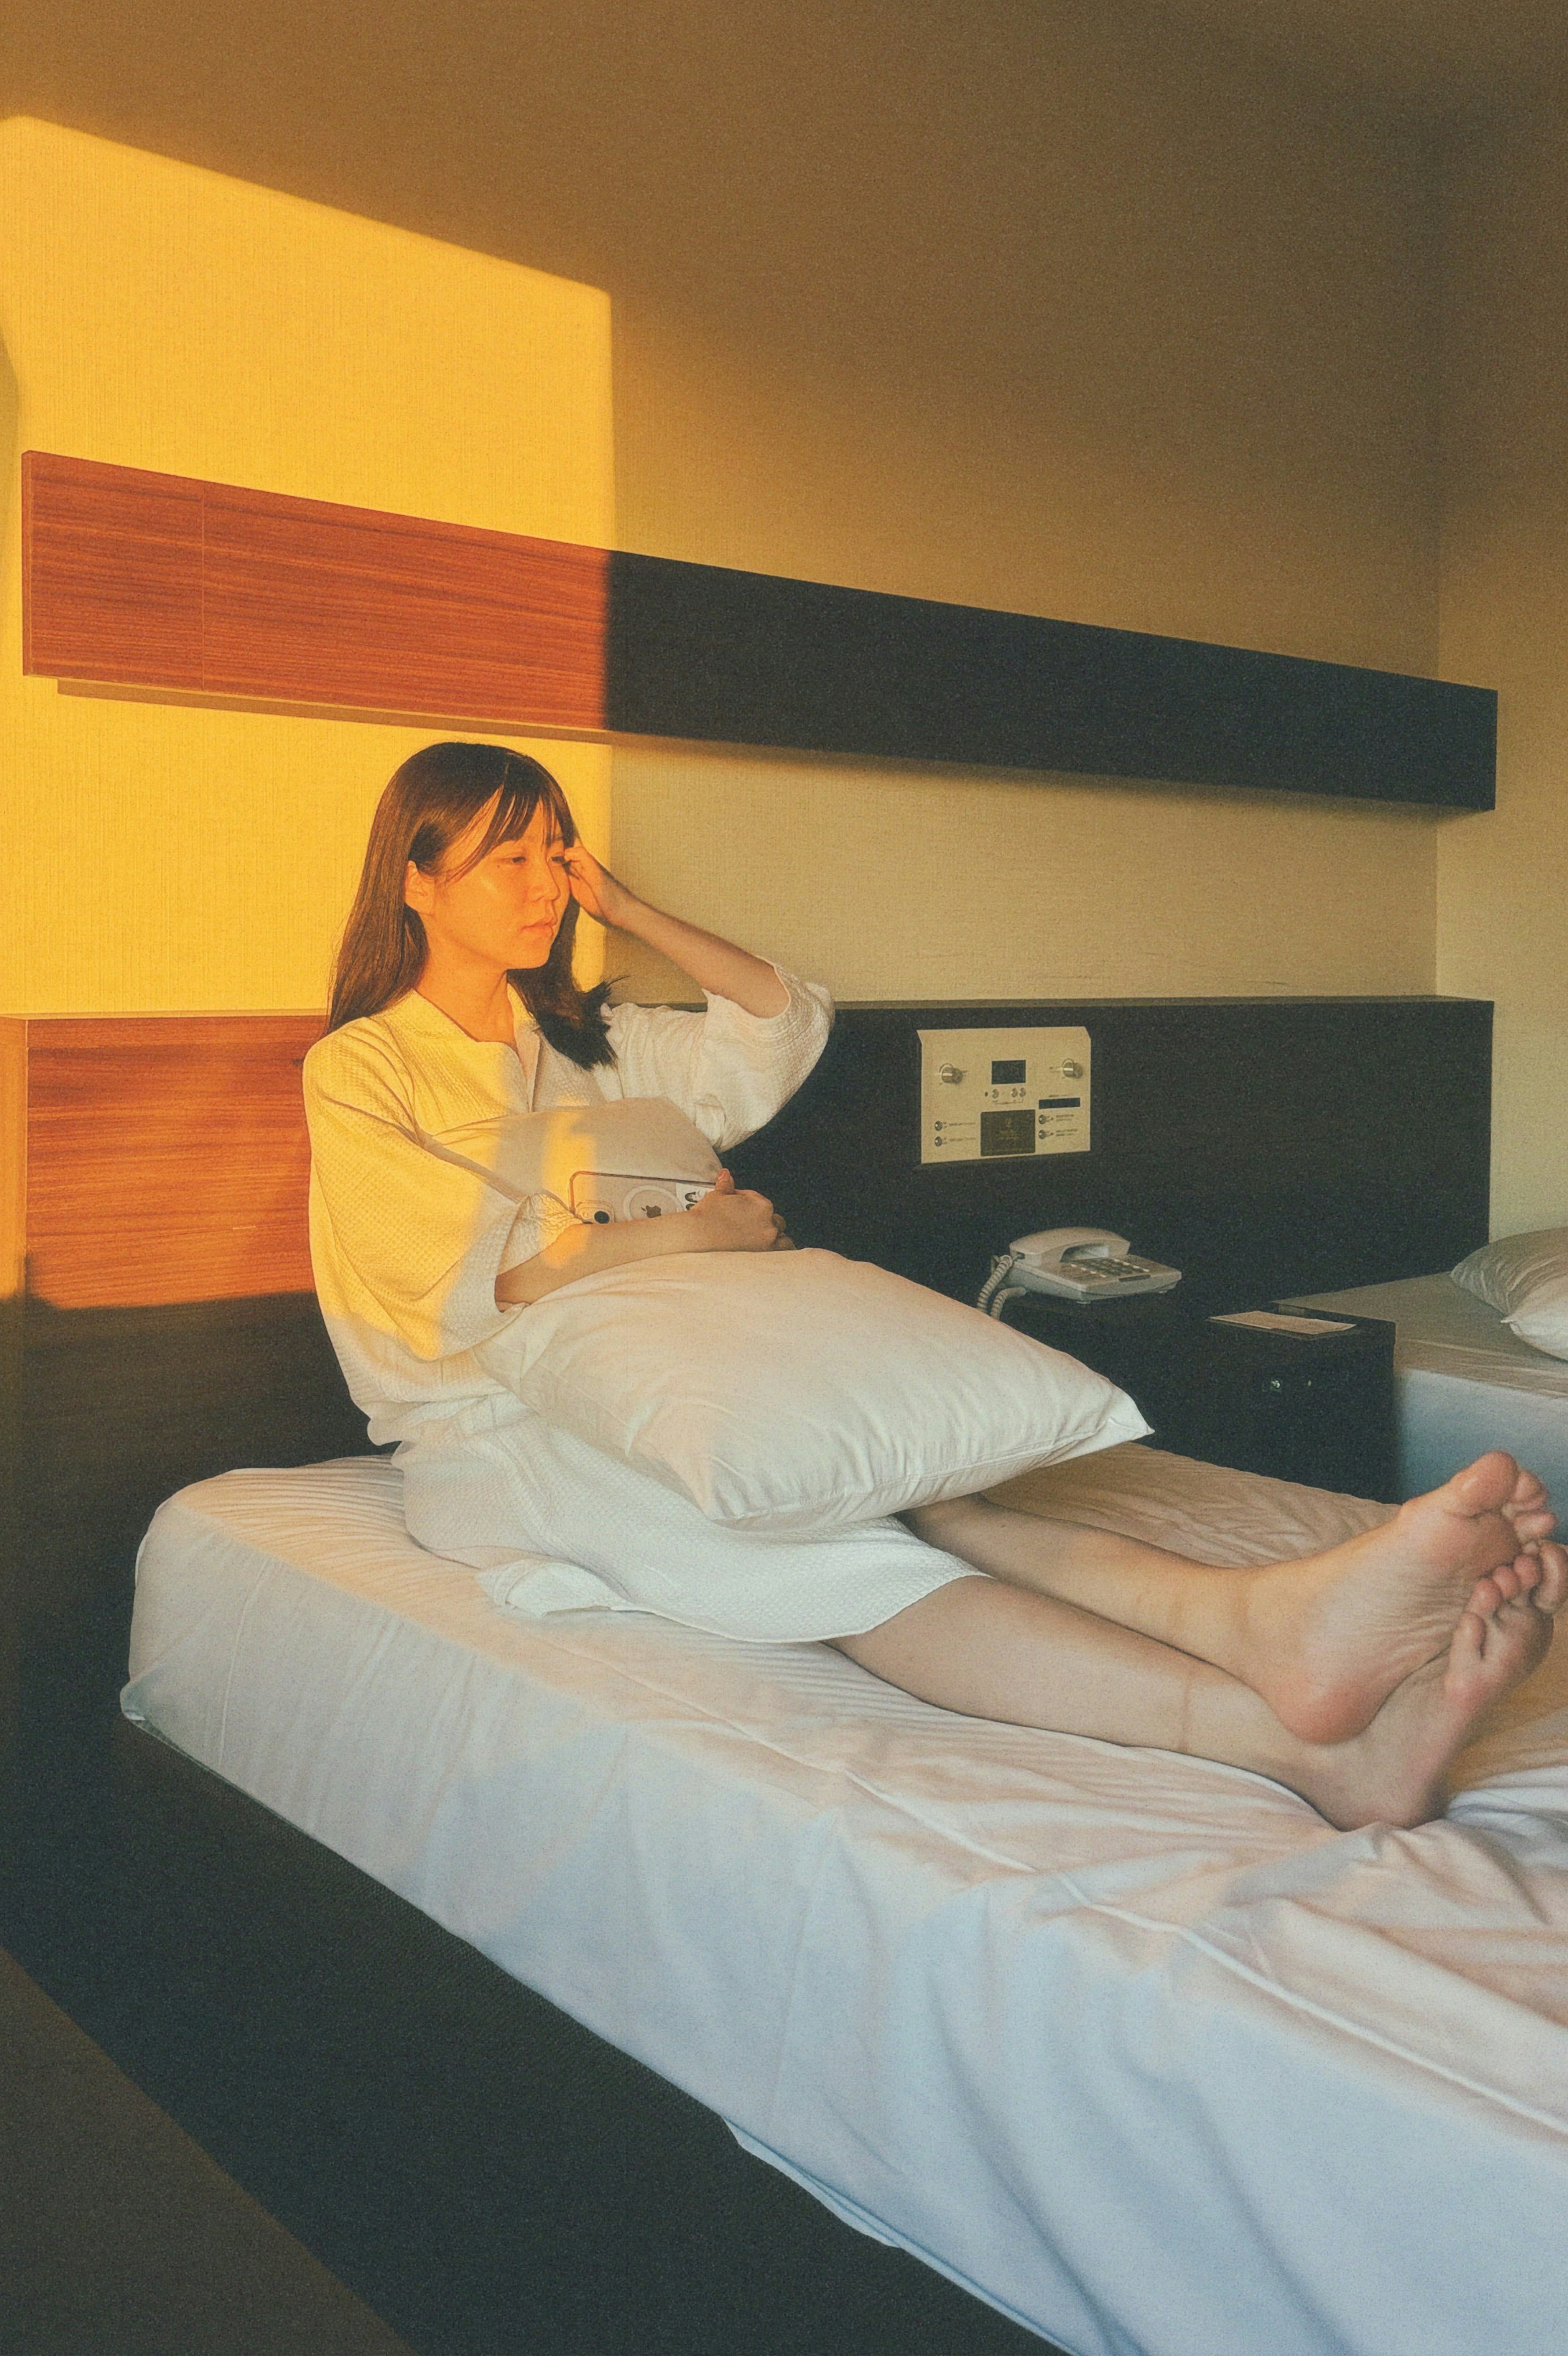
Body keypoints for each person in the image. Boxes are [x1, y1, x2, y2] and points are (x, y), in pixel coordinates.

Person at [304, 741, 1565, 1830]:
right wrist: (698, 1237)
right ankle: (1301, 1746)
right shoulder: (364, 1072)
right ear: (416, 880)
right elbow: (459, 1277)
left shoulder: (593, 1040)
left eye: (558, 853)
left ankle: (1260, 1622)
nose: (545, 886)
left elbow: (780, 1023)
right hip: (499, 1432)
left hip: (684, 1374)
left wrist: (628, 912)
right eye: (507, 860)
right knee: (849, 1554)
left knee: (943, 1498)